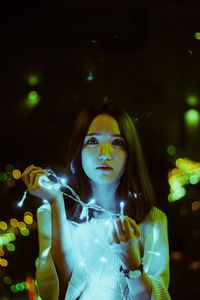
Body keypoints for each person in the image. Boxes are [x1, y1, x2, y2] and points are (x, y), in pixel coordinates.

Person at [22, 103, 170, 300]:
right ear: (78, 151)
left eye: (117, 142)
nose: (105, 154)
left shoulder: (152, 221)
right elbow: (55, 293)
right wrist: (56, 202)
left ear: (130, 153)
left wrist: (133, 264)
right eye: (92, 141)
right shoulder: (52, 213)